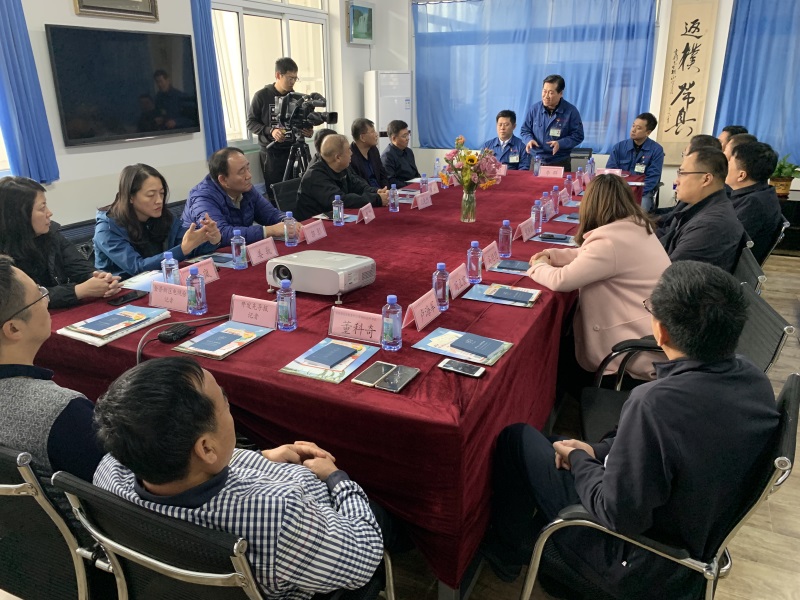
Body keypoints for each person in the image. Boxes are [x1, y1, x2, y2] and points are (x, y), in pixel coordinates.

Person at [485, 260, 779, 600]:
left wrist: (581, 460)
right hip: (689, 529)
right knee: (554, 445)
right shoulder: (753, 379)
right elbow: (666, 450)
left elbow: (616, 514)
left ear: (661, 332)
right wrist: (594, 452)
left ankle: (507, 553)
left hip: (635, 559)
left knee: (517, 439)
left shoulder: (655, 404)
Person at [92, 356, 385, 599]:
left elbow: (200, 469)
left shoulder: (109, 473)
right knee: (382, 513)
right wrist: (337, 479)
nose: (228, 406)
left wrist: (261, 457)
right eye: (225, 403)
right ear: (207, 448)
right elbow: (365, 557)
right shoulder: (279, 516)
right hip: (320, 539)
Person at [527, 174, 670, 387]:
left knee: (560, 366)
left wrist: (538, 266)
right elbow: (589, 256)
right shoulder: (635, 228)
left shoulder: (609, 242)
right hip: (650, 331)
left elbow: (561, 280)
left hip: (633, 350)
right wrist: (552, 255)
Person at [0, 255, 104, 481]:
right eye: (40, 295)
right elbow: (125, 488)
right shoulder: (64, 412)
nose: (47, 301)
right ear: (14, 329)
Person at [0, 177, 120, 308]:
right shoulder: (3, 255)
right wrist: (78, 291)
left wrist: (100, 279)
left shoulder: (51, 234)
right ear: (19, 216)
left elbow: (79, 267)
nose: (49, 213)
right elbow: (23, 299)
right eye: (42, 208)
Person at [94, 164, 221, 279]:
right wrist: (183, 249)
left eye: (162, 193)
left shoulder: (162, 216)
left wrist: (211, 240)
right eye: (151, 195)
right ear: (130, 197)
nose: (159, 200)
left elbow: (190, 247)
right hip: (121, 290)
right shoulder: (107, 228)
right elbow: (138, 268)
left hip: (161, 282)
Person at [656, 148, 744, 273]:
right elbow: (668, 239)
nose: (676, 181)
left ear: (706, 179)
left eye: (682, 173)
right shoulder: (699, 205)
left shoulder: (711, 225)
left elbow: (670, 273)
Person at [182, 147, 293, 246]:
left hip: (238, 250)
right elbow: (221, 234)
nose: (249, 176)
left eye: (248, 168)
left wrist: (287, 221)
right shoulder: (202, 198)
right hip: (202, 256)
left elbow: (271, 214)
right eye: (241, 172)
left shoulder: (246, 189)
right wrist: (269, 230)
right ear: (223, 180)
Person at [246, 57, 313, 188]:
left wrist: (308, 130)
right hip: (272, 153)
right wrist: (271, 131)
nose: (293, 82)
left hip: (294, 150)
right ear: (278, 75)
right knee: (276, 192)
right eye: (290, 78)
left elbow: (303, 121)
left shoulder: (297, 98)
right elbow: (251, 122)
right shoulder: (262, 96)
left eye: (295, 78)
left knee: (298, 188)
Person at [296, 134, 389, 221]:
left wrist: (376, 192)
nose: (351, 153)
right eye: (348, 150)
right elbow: (340, 200)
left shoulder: (342, 168)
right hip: (313, 224)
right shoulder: (315, 176)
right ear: (338, 158)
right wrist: (376, 199)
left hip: (336, 219)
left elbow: (358, 185)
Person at [727, 142, 783, 264]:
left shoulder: (753, 204)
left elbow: (726, 242)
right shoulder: (764, 192)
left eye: (729, 163)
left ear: (741, 175)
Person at [521, 74, 584, 172]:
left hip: (560, 161)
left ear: (560, 93)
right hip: (537, 161)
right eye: (544, 91)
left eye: (551, 93)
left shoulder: (571, 111)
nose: (546, 96)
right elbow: (525, 130)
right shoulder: (534, 109)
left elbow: (578, 135)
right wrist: (529, 140)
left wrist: (560, 143)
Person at [605, 112, 664, 212]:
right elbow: (610, 172)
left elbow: (653, 177)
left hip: (643, 192)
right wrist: (621, 192)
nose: (633, 130)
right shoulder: (619, 147)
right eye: (633, 126)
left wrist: (636, 193)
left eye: (638, 128)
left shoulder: (656, 150)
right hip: (619, 191)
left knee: (641, 212)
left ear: (648, 132)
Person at [350, 118, 390, 188]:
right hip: (367, 193)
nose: (376, 134)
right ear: (362, 137)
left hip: (381, 192)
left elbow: (383, 175)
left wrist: (385, 189)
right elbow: (357, 185)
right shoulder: (350, 156)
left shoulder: (373, 150)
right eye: (372, 132)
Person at [380, 120, 420, 187]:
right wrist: (411, 185)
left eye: (408, 135)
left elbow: (415, 173)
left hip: (413, 187)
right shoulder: (387, 156)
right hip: (400, 190)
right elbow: (391, 181)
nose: (407, 138)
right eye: (404, 136)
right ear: (394, 138)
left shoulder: (409, 151)